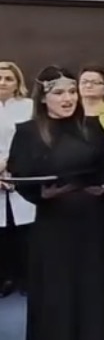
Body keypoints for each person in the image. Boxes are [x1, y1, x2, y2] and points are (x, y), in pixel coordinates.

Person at [5, 66, 104, 340]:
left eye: (71, 92)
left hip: (93, 223)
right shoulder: (29, 132)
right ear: (44, 98)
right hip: (54, 226)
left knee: (94, 291)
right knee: (58, 296)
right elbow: (21, 174)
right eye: (59, 93)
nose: (67, 99)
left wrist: (103, 187)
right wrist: (42, 194)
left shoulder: (92, 127)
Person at [0, 61, 35, 296]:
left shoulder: (28, 107)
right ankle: (5, 279)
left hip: (22, 172)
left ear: (17, 83)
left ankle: (27, 279)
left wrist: (8, 166)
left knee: (25, 230)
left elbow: (32, 141)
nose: (2, 82)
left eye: (8, 78)